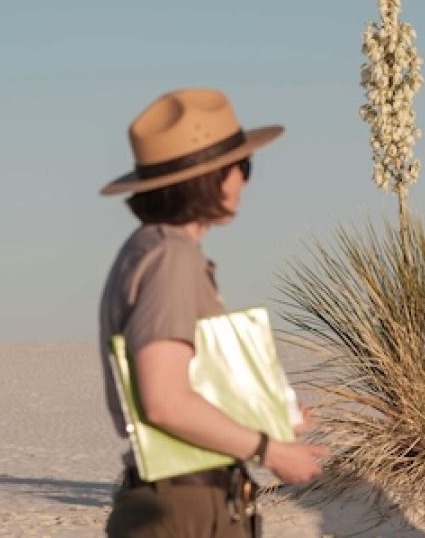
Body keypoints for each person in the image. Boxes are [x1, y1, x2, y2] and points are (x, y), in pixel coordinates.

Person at [98, 88, 326, 537]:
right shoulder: (172, 258)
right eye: (242, 167)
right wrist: (271, 451)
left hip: (181, 502)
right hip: (184, 510)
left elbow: (182, 389)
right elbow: (165, 402)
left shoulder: (146, 250)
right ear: (212, 177)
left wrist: (263, 416)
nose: (245, 180)